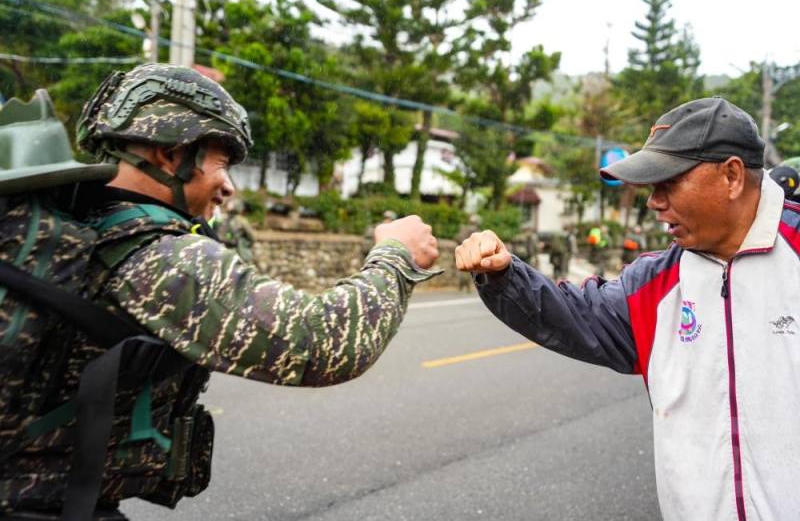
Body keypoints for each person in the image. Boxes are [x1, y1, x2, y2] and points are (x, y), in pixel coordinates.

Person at [0, 64, 440, 520]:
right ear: (171, 154)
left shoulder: (79, 225)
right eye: (222, 163)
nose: (228, 186)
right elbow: (320, 343)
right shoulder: (156, 255)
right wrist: (395, 255)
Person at [455, 97, 800, 520]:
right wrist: (505, 275)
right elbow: (571, 316)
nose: (654, 202)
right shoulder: (654, 286)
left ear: (730, 175)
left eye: (667, 182)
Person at [216, 197, 257, 264]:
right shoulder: (242, 220)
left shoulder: (223, 219)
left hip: (224, 252)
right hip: (239, 253)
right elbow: (252, 237)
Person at [455, 214, 482, 292]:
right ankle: (467, 287)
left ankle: (461, 286)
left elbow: (457, 238)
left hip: (461, 250)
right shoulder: (476, 230)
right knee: (469, 270)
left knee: (462, 269)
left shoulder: (464, 228)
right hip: (471, 252)